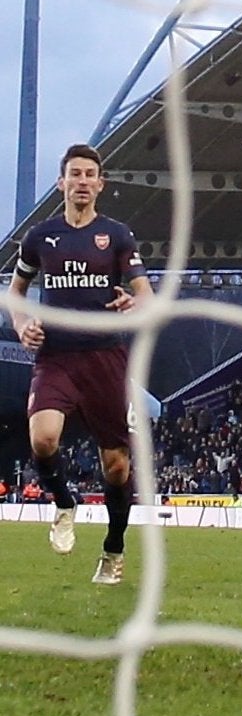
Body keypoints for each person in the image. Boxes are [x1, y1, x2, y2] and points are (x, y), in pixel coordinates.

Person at [7, 144, 152, 585]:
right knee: (44, 439)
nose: (83, 181)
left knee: (117, 466)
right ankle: (64, 503)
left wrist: (134, 301)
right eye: (75, 174)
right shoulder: (40, 237)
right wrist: (21, 323)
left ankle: (113, 550)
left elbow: (145, 293)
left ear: (100, 184)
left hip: (105, 358)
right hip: (57, 357)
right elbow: (15, 293)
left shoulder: (117, 235)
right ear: (62, 183)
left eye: (90, 174)